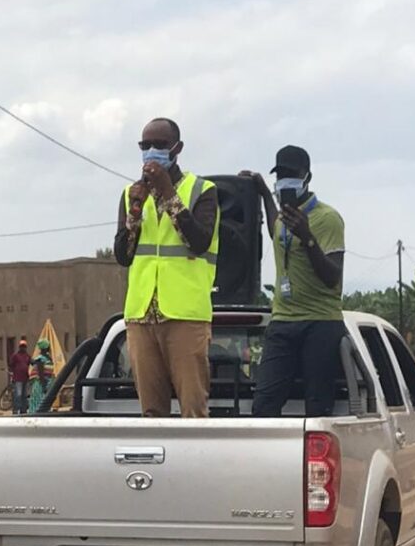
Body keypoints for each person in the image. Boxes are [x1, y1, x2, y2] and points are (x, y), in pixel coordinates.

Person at [114, 117, 220, 418]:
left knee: (193, 408)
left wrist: (168, 193)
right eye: (144, 145)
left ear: (177, 148)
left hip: (184, 314)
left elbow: (198, 242)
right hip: (141, 314)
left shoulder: (202, 190)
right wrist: (134, 213)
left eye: (159, 145)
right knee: (151, 412)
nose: (151, 151)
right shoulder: (132, 194)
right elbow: (123, 255)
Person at [241, 145, 345, 417]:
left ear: (307, 177)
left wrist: (307, 237)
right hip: (283, 320)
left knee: (317, 405)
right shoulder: (282, 220)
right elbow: (274, 228)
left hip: (320, 322)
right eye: (280, 175)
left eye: (292, 174)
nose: (285, 181)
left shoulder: (328, 218)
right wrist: (265, 192)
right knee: (264, 405)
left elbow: (332, 277)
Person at [27, 338, 54, 414]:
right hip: (40, 384)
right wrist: (44, 386)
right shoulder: (40, 359)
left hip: (46, 383)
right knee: (38, 401)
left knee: (45, 403)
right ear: (45, 348)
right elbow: (41, 373)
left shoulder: (47, 358)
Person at [8, 338, 31, 414]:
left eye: (24, 346)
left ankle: (23, 411)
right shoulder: (15, 356)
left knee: (24, 395)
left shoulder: (27, 356)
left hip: (26, 378)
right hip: (18, 378)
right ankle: (15, 410)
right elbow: (11, 364)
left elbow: (31, 362)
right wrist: (12, 373)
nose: (23, 348)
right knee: (18, 395)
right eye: (21, 346)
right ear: (19, 347)